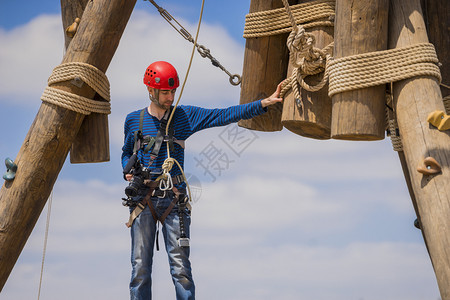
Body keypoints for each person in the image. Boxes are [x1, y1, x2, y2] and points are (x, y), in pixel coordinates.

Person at [121, 61, 283, 300]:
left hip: (173, 201)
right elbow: (126, 152)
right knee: (140, 270)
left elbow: (223, 115)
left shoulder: (183, 116)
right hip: (143, 201)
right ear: (151, 91)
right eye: (165, 92)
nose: (170, 96)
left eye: (173, 91)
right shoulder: (134, 120)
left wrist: (262, 104)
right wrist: (126, 171)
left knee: (181, 271)